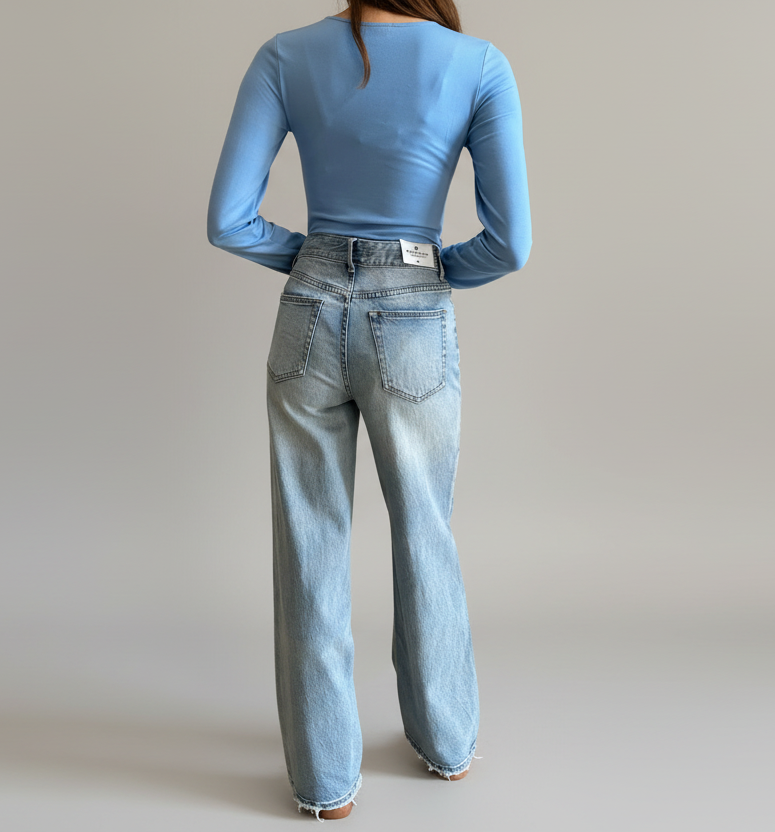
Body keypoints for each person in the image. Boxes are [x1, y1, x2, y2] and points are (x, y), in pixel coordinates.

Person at [206, 0, 532, 821]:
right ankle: (446, 743)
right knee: (426, 529)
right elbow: (511, 244)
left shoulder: (284, 55)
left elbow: (227, 221)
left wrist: (319, 260)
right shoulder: (478, 65)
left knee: (308, 541)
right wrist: (423, 272)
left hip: (308, 310)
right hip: (414, 313)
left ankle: (324, 784)